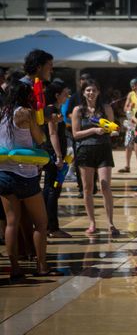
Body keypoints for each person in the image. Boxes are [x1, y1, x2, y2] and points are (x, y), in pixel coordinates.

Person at [0, 81, 63, 280]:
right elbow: (40, 138)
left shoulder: (1, 113)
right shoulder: (25, 113)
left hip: (3, 174)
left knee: (11, 223)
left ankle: (15, 269)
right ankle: (42, 266)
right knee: (41, 224)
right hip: (25, 174)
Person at [71, 79, 119, 236]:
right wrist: (93, 131)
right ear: (83, 92)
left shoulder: (106, 108)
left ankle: (110, 223)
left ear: (99, 92)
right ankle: (92, 222)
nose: (91, 93)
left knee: (105, 186)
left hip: (103, 149)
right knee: (87, 188)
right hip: (85, 151)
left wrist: (114, 131)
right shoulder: (78, 110)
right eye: (88, 90)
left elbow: (112, 127)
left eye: (94, 90)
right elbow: (75, 134)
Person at [42, 80, 72, 238]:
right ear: (57, 95)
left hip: (54, 154)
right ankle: (51, 227)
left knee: (50, 188)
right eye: (65, 93)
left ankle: (47, 226)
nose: (68, 95)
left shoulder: (54, 110)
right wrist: (59, 156)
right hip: (53, 155)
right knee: (53, 189)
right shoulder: (51, 110)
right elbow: (52, 134)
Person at [119, 78, 137, 174]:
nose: (133, 87)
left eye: (134, 85)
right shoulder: (131, 94)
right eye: (132, 86)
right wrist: (129, 108)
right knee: (128, 145)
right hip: (131, 123)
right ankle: (127, 165)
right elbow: (125, 108)